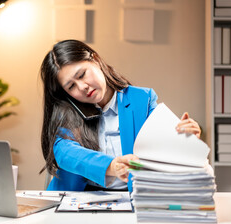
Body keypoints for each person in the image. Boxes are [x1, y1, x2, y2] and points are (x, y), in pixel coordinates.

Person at [39, 39, 202, 192]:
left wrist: (184, 135)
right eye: (71, 86)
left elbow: (162, 141)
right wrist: (111, 166)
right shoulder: (67, 111)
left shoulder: (142, 99)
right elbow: (64, 152)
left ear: (95, 60)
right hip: (77, 199)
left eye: (82, 75)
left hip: (131, 197)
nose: (82, 87)